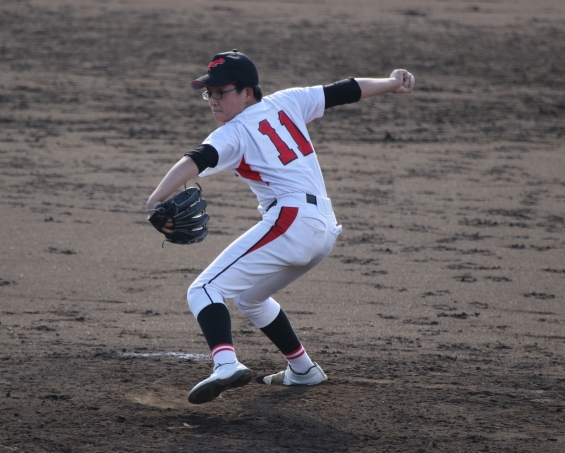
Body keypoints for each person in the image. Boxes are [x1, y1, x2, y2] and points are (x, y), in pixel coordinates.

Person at [147, 49, 414, 404]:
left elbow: (195, 160)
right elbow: (344, 90)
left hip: (291, 222)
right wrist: (391, 83)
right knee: (250, 298)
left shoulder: (233, 132)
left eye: (221, 91)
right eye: (209, 93)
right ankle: (303, 370)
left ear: (247, 92)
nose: (213, 100)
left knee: (204, 289)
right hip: (322, 228)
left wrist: (154, 200)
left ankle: (225, 364)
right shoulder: (288, 101)